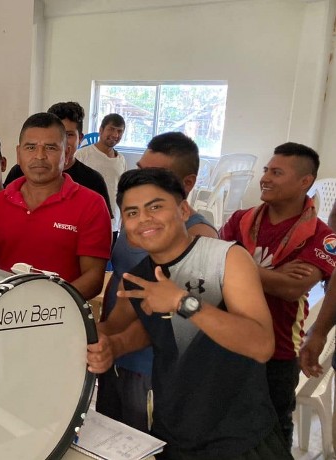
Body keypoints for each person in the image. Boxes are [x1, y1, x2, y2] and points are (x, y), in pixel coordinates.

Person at [88, 168, 286, 459]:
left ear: (183, 210)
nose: (144, 218)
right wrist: (111, 347)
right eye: (131, 213)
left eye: (155, 207)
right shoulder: (138, 278)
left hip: (241, 436)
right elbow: (137, 330)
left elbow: (261, 345)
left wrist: (183, 302)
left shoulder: (226, 258)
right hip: (175, 433)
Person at [96, 132, 218, 433]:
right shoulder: (138, 219)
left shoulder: (200, 237)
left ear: (186, 185)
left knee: (144, 444)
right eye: (139, 170)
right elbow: (125, 283)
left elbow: (173, 319)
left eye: (155, 175)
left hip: (152, 370)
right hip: (113, 357)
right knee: (108, 441)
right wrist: (100, 334)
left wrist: (116, 341)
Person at [220, 142, 336, 448]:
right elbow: (212, 268)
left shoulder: (322, 236)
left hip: (279, 350)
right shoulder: (241, 220)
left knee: (271, 430)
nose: (265, 178)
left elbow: (291, 289)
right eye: (266, 170)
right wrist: (268, 274)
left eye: (277, 172)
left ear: (305, 182)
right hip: (227, 338)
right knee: (221, 423)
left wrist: (233, 263)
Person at [0, 112, 111, 300]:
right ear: (18, 153)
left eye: (50, 148)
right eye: (30, 147)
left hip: (60, 319)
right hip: (1, 316)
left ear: (66, 154)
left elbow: (93, 279)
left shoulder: (92, 205)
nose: (39, 156)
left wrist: (43, 310)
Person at [3, 102, 112, 218]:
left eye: (68, 135)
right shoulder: (19, 172)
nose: (62, 140)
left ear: (80, 139)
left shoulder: (93, 181)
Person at [76, 113, 126, 230]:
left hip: (112, 223)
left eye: (119, 131)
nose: (115, 134)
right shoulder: (82, 155)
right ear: (101, 130)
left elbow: (122, 191)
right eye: (111, 129)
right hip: (85, 220)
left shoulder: (121, 160)